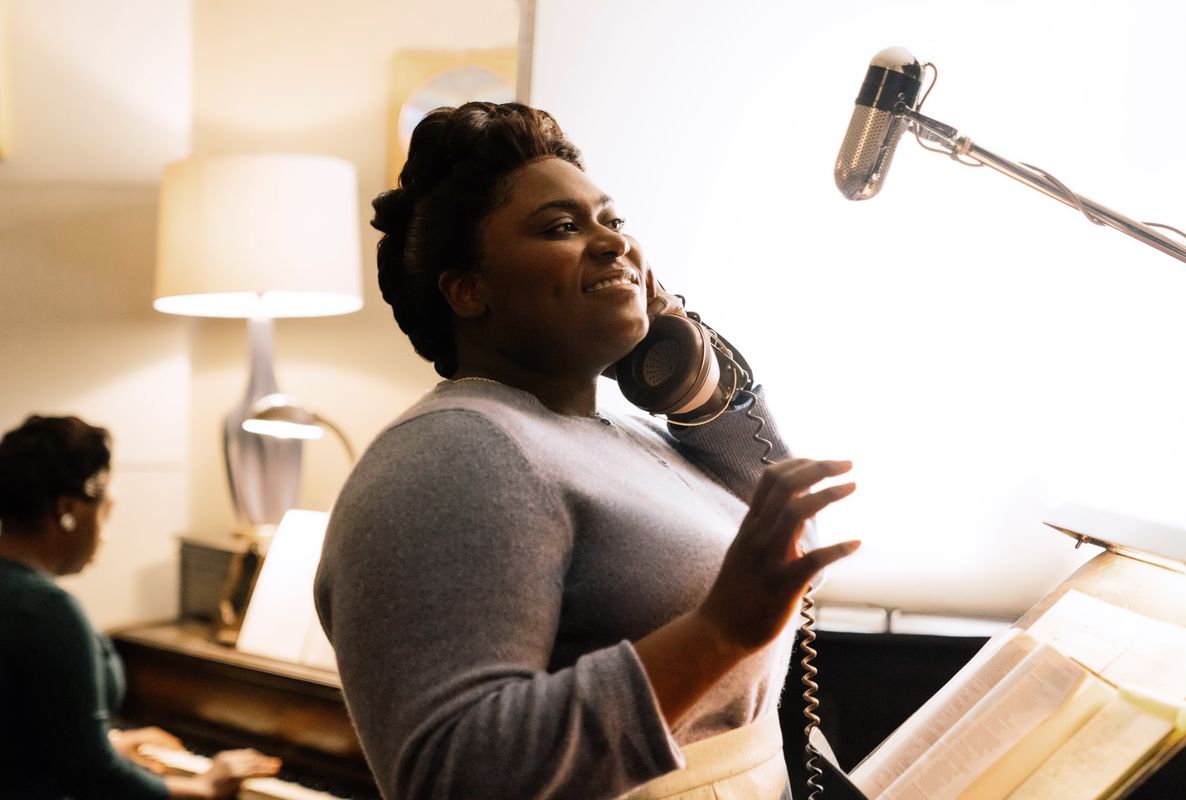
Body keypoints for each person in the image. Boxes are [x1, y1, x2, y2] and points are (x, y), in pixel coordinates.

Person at [314, 101, 860, 800]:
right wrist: (716, 632)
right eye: (562, 228)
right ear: (468, 289)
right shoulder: (452, 455)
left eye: (614, 221)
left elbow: (788, 551)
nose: (613, 244)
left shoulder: (625, 436)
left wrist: (696, 389)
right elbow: (452, 774)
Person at [0, 414, 282, 799]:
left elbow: (23, 740)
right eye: (106, 509)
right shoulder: (46, 610)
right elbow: (95, 778)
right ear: (67, 509)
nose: (106, 531)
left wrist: (107, 744)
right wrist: (204, 787)